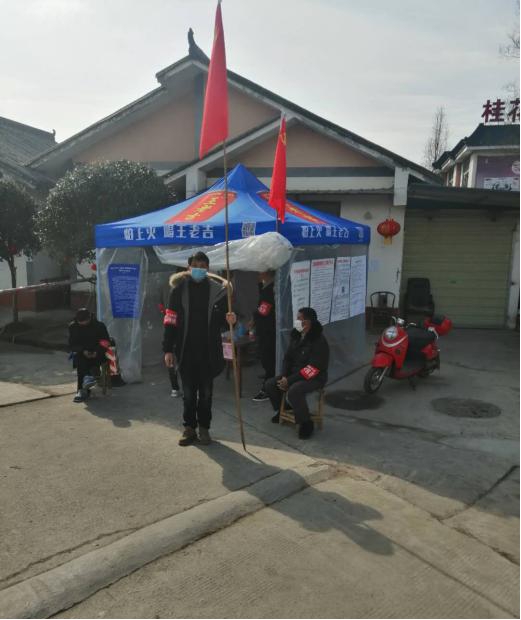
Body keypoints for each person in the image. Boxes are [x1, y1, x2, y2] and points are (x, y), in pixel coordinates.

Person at [162, 251, 236, 446]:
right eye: (195, 266)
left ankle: (204, 428)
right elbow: (170, 320)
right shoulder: (178, 290)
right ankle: (189, 428)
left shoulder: (218, 291)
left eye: (203, 266)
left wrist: (231, 320)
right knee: (188, 394)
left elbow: (223, 321)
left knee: (206, 394)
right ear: (189, 267)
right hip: (185, 351)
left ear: (208, 269)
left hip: (208, 352)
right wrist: (167, 349)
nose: (199, 269)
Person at [265, 307, 329, 439]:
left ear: (307, 322)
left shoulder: (319, 341)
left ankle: (306, 423)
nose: (296, 321)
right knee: (270, 384)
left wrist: (289, 380)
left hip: (314, 377)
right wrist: (284, 376)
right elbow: (287, 358)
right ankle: (286, 409)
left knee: (295, 390)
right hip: (294, 374)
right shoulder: (296, 335)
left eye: (299, 318)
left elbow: (313, 369)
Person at [68, 308, 124, 403]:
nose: (83, 324)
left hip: (98, 352)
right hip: (82, 352)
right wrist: (83, 351)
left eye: (85, 322)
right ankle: (83, 388)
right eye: (80, 322)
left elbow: (106, 342)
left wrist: (96, 352)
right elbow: (72, 344)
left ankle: (86, 382)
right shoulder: (73, 326)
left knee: (90, 362)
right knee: (80, 359)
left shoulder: (99, 326)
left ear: (90, 318)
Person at [250, 270, 276, 402]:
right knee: (267, 357)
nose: (256, 274)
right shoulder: (265, 286)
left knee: (268, 358)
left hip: (268, 330)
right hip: (266, 329)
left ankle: (268, 388)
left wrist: (254, 318)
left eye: (259, 271)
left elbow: (264, 311)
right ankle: (269, 376)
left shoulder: (270, 290)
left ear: (266, 272)